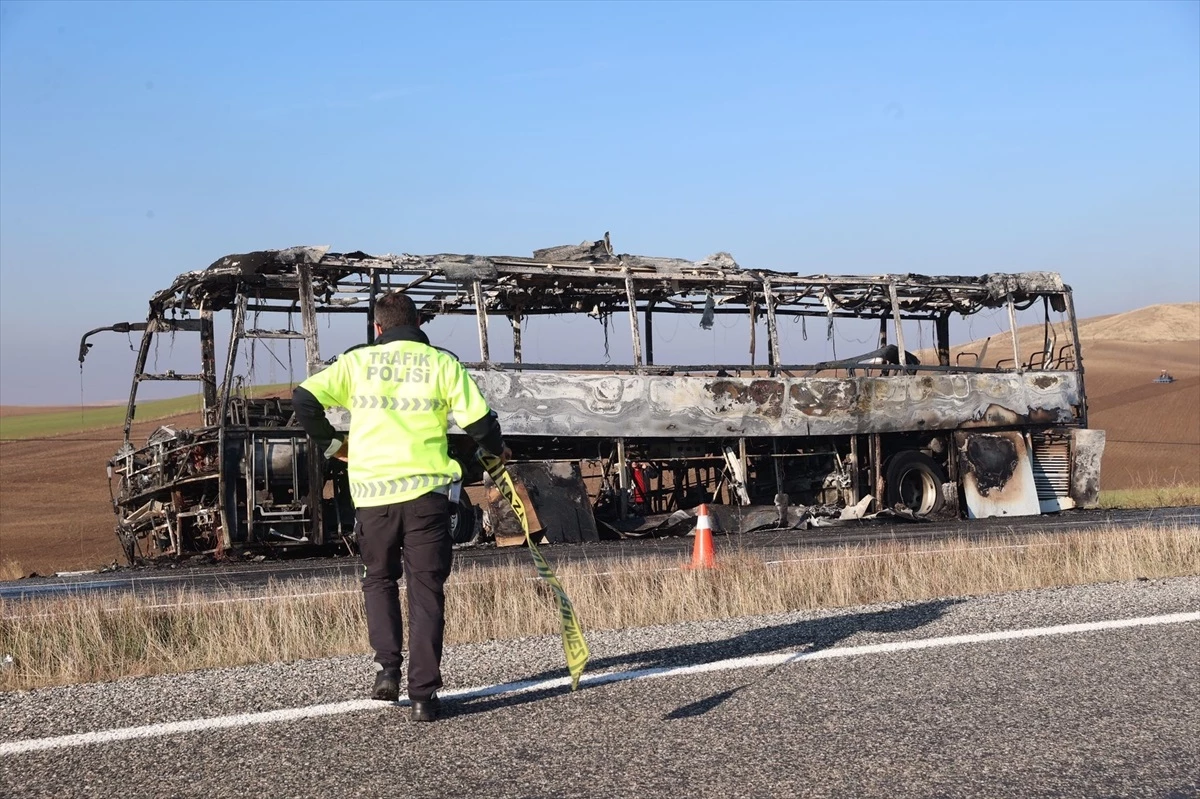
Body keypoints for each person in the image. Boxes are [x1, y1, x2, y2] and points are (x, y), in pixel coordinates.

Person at [292, 291, 506, 722]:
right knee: (426, 592)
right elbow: (481, 423)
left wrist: (334, 445)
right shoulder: (442, 364)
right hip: (427, 498)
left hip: (373, 498)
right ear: (418, 324)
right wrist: (494, 455)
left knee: (379, 580)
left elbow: (303, 399)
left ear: (377, 327)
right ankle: (424, 697)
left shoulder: (356, 363)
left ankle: (386, 671)